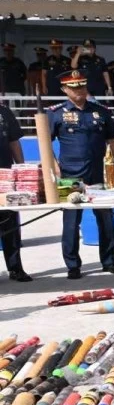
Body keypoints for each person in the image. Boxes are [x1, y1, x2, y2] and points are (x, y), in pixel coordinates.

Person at [48, 70, 114, 278]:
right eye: (73, 87)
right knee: (72, 223)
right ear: (64, 90)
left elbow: (113, 140)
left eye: (81, 85)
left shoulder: (100, 111)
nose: (79, 90)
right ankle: (73, 266)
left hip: (98, 174)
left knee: (106, 219)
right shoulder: (56, 113)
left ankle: (110, 261)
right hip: (70, 176)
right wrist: (54, 166)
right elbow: (45, 142)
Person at [0, 101, 30, 282]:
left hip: (5, 178)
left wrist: (21, 170)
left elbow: (14, 142)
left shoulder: (4, 112)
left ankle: (15, 268)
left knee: (9, 224)